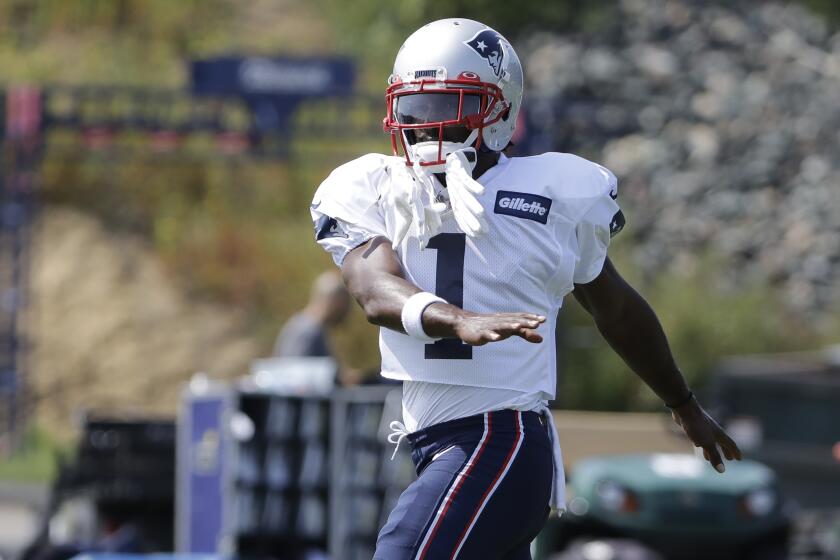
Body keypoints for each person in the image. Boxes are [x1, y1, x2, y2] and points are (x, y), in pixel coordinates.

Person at [310, 18, 742, 560]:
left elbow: (616, 309)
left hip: (499, 441)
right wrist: (455, 318)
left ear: (499, 109)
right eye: (412, 108)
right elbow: (374, 290)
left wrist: (682, 403)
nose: (424, 126)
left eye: (447, 106)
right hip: (435, 443)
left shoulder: (551, 192)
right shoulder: (378, 188)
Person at [274, 270, 362, 385]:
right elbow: (299, 379)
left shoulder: (307, 327)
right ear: (336, 302)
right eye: (346, 304)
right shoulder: (308, 332)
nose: (348, 312)